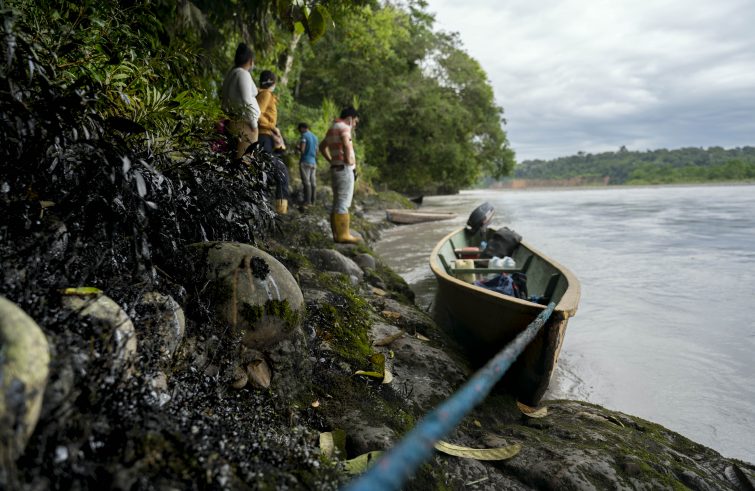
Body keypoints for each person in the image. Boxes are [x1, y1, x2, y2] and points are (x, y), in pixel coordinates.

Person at [319, 106, 361, 243]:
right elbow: (346, 143)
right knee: (343, 202)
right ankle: (343, 235)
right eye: (355, 121)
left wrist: (331, 160)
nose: (355, 125)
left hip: (335, 168)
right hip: (344, 169)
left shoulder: (332, 128)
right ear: (350, 118)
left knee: (337, 202)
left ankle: (337, 235)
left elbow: (322, 147)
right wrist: (349, 160)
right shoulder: (344, 127)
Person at [256, 71, 289, 214]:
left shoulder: (264, 94)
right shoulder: (266, 94)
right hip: (263, 137)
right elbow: (257, 114)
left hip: (265, 137)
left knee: (269, 172)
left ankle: (270, 208)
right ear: (272, 82)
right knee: (277, 172)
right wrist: (272, 126)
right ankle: (275, 210)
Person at [220, 43, 260, 159]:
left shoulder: (232, 73)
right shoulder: (243, 74)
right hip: (245, 123)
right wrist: (254, 125)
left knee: (235, 158)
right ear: (250, 60)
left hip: (233, 120)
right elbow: (246, 100)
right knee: (244, 160)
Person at [297, 122, 318, 207]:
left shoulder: (304, 136)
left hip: (305, 161)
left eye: (299, 130)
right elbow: (316, 151)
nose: (300, 132)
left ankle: (307, 201)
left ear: (302, 128)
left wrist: (298, 147)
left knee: (306, 182)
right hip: (313, 162)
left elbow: (302, 150)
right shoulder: (315, 137)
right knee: (313, 182)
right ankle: (313, 201)